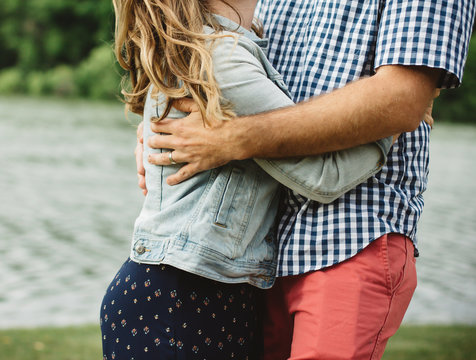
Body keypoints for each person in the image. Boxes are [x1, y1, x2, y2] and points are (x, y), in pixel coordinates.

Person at [143, 0, 476, 359]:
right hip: (254, 249)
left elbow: (401, 99)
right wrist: (155, 129)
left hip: (351, 231)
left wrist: (234, 139)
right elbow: (214, 60)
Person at [101, 0, 402, 359]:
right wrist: (392, 120)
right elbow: (324, 174)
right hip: (180, 299)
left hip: (204, 294)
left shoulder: (216, 51)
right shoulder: (221, 60)